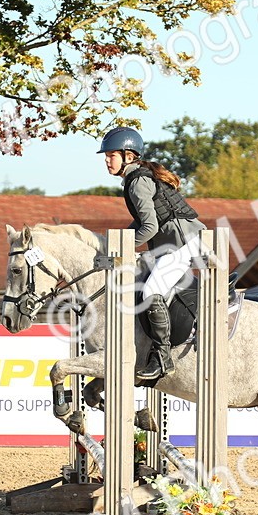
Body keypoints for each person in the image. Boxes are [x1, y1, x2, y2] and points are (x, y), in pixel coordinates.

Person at [99, 126, 207, 381]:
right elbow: (141, 225)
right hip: (173, 243)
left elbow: (149, 227)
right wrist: (116, 242)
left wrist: (123, 250)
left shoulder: (138, 182)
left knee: (150, 292)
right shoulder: (138, 178)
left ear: (128, 155)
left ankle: (162, 357)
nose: (106, 160)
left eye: (111, 155)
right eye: (105, 156)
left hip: (183, 244)